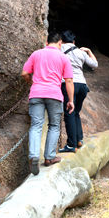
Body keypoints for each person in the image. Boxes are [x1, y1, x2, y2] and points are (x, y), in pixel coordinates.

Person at [21, 31, 75, 175]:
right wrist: (71, 100)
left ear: (46, 42)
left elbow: (25, 73)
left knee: (36, 125)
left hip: (36, 93)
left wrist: (33, 83)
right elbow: (69, 80)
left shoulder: (36, 54)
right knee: (54, 125)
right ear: (59, 43)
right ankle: (49, 157)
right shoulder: (63, 57)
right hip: (54, 95)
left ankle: (33, 155)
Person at [59, 30, 98, 152]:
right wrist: (89, 51)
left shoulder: (59, 49)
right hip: (82, 85)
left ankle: (71, 145)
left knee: (69, 113)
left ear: (62, 40)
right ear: (74, 41)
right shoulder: (80, 52)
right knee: (75, 112)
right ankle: (79, 139)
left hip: (68, 83)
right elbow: (94, 64)